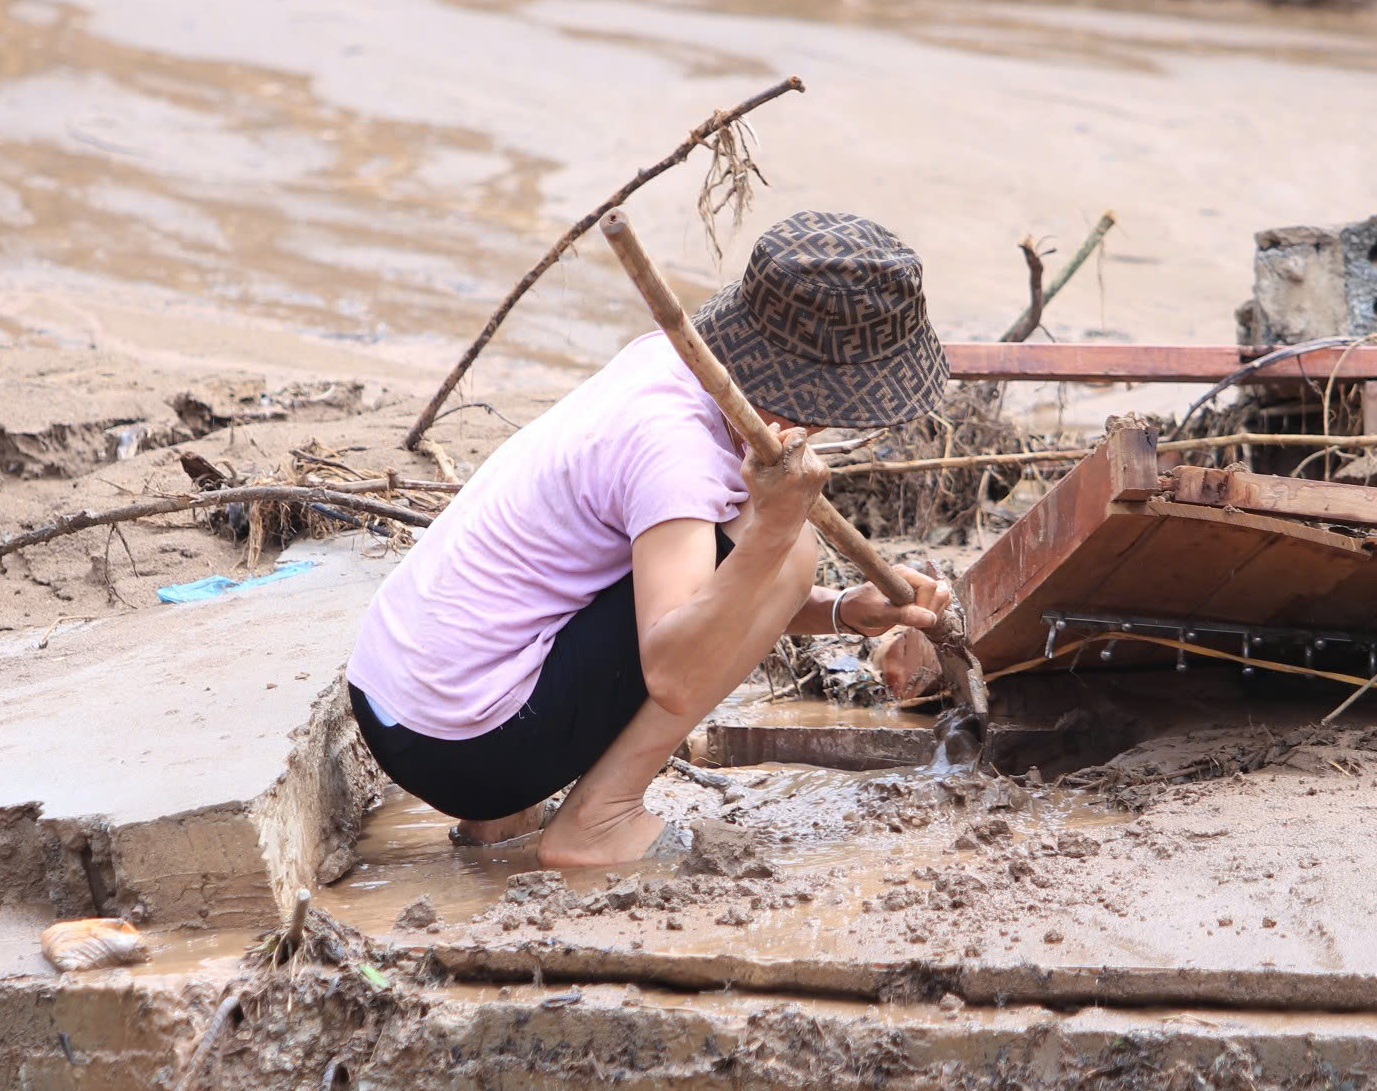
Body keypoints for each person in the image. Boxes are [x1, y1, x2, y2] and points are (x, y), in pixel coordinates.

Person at [346, 211, 956, 869]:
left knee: (775, 555)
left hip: (397, 698)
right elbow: (673, 667)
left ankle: (501, 823)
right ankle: (600, 819)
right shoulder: (678, 451)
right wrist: (778, 530)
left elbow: (693, 587)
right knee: (791, 551)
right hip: (468, 743)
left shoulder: (667, 363)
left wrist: (839, 611)